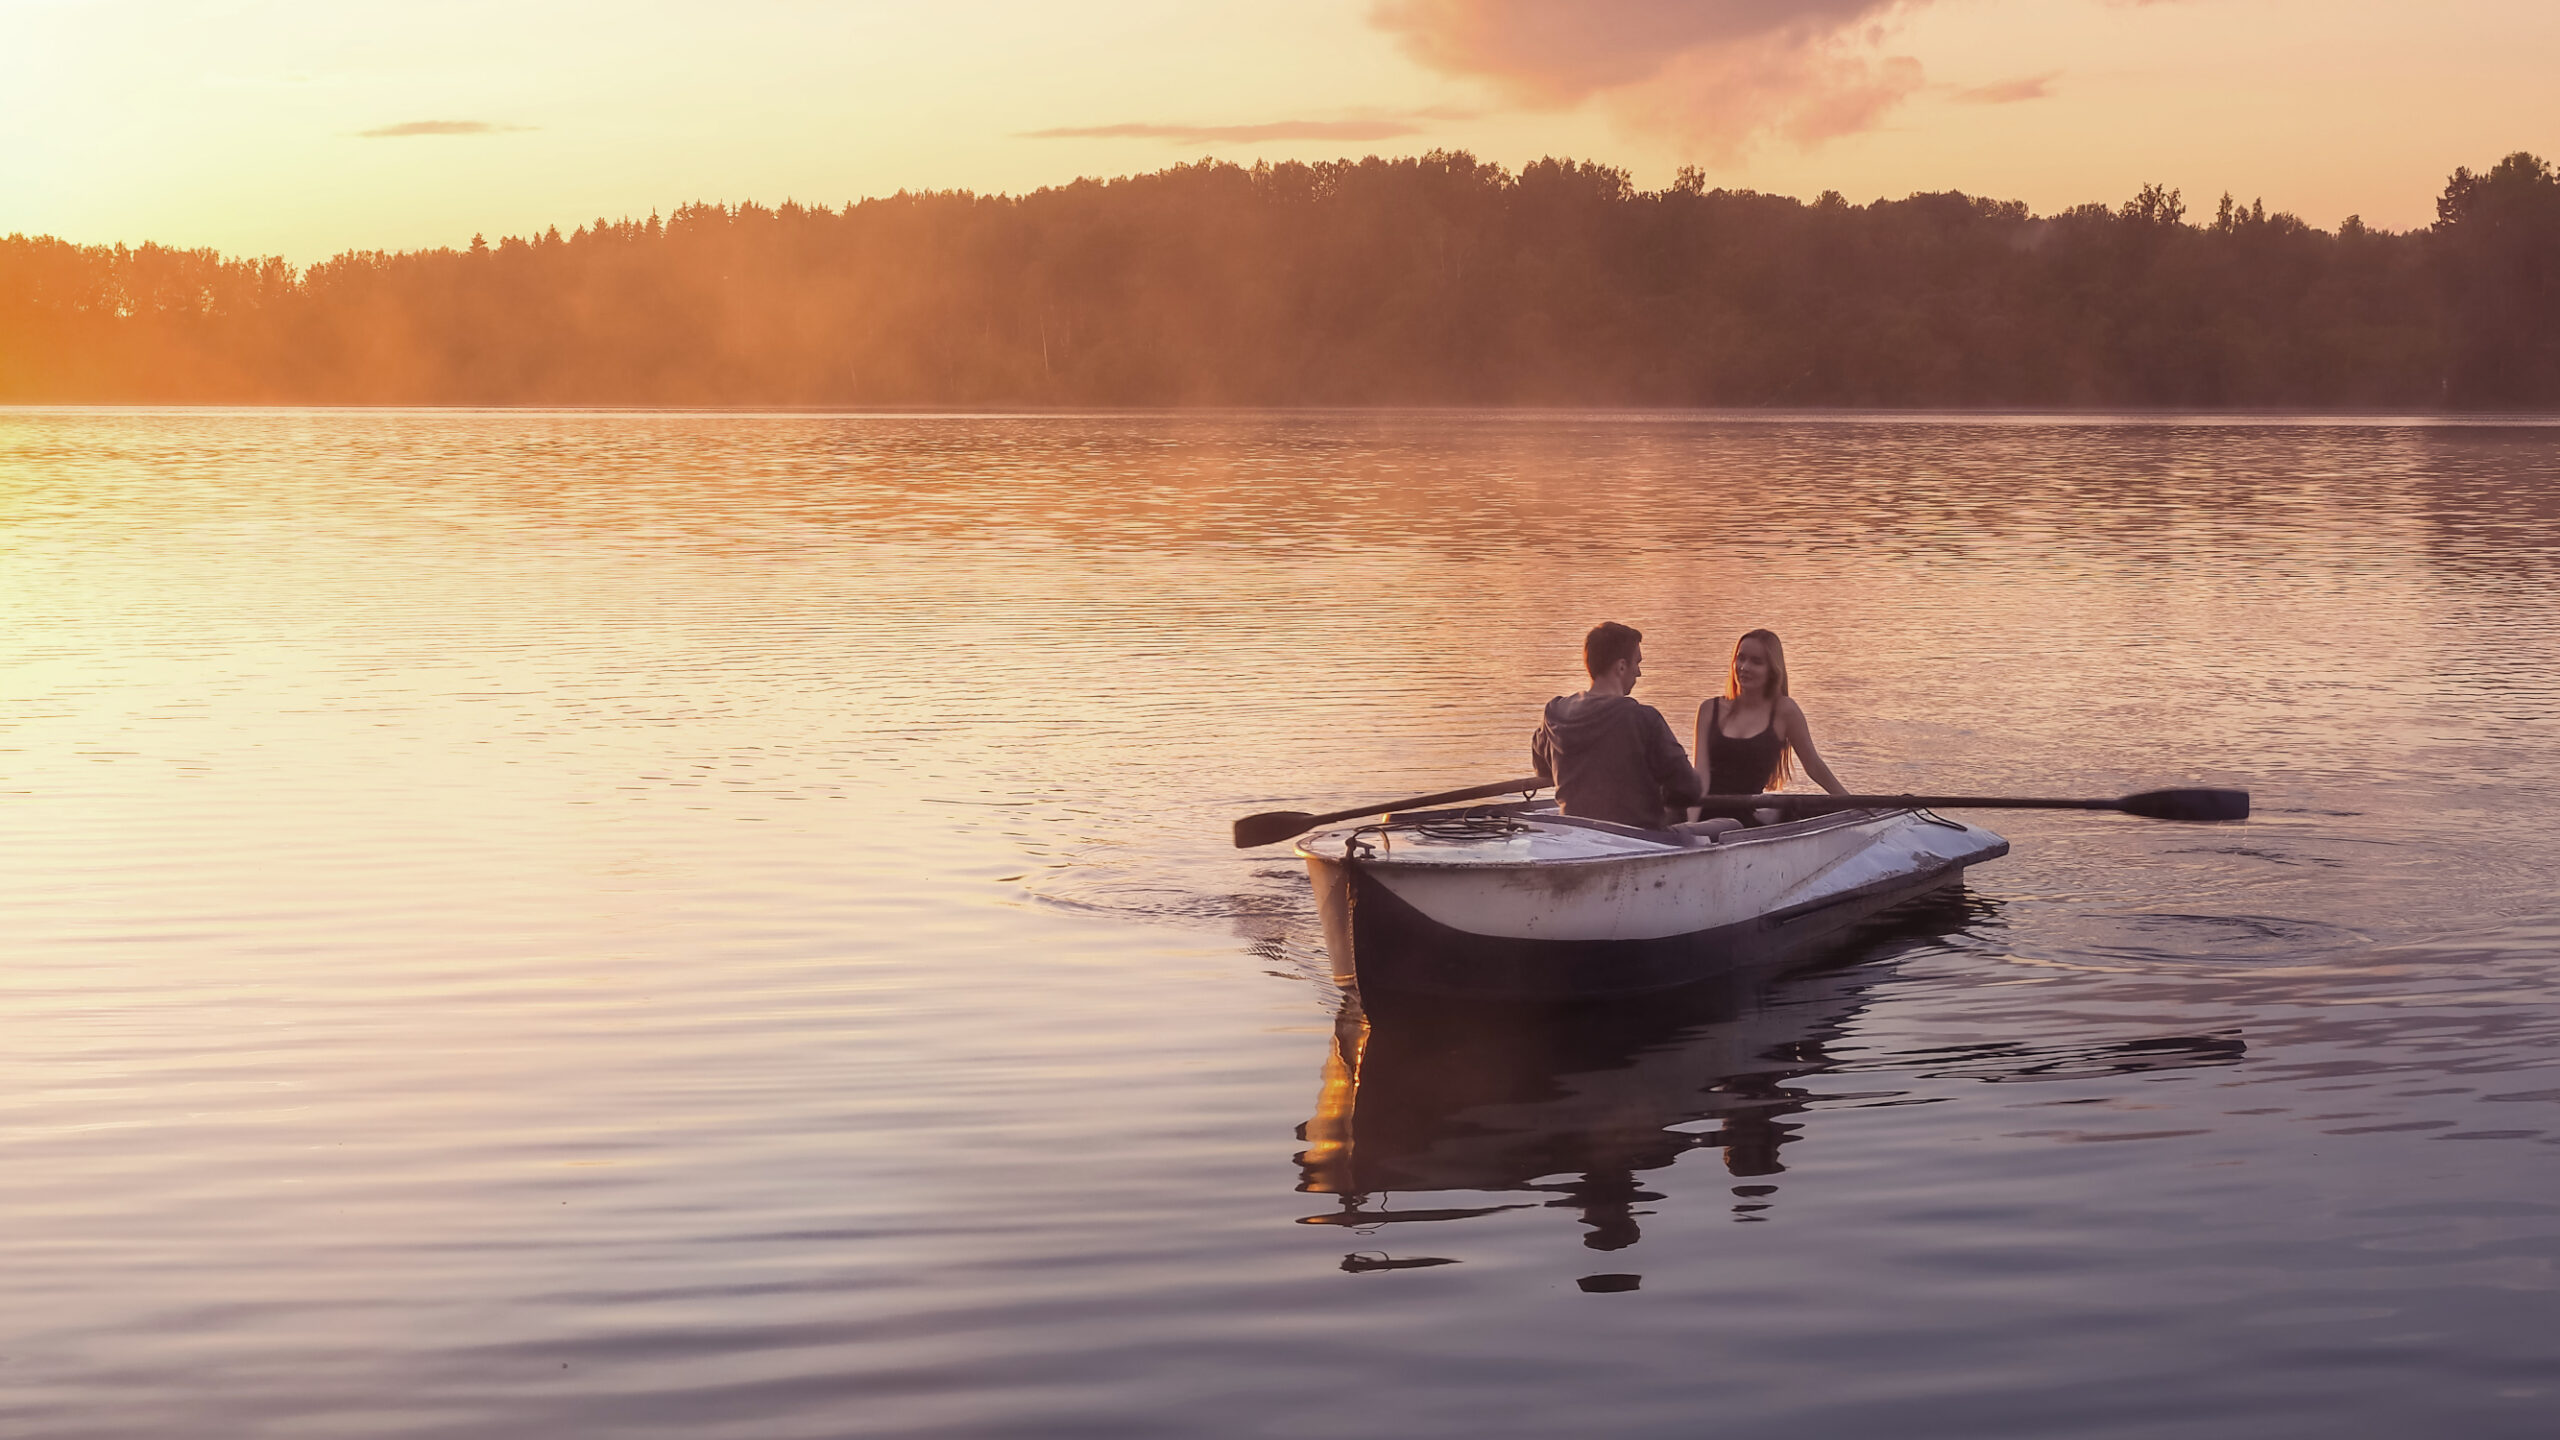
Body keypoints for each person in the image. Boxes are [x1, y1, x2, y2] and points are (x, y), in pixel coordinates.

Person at [1531, 621, 1703, 830]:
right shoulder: (1643, 718)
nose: (1638, 673)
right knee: (1727, 824)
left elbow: (1543, 770)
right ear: (1621, 666)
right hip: (1639, 839)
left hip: (1575, 833)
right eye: (1637, 663)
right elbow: (1689, 789)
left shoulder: (1554, 713)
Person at [1695, 628, 1847, 803]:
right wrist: (1690, 823)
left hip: (1740, 818)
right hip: (1703, 811)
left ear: (1772, 670)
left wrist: (1853, 804)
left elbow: (1813, 765)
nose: (1744, 667)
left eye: (1756, 662)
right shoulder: (1709, 709)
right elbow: (1700, 774)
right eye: (1741, 658)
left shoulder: (1785, 711)